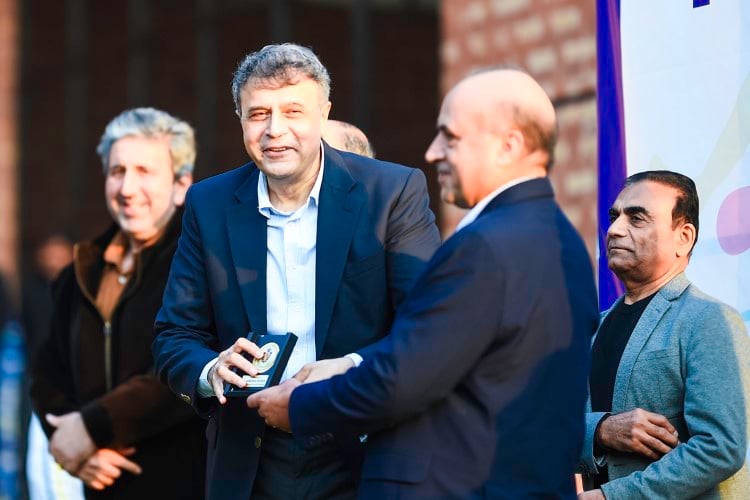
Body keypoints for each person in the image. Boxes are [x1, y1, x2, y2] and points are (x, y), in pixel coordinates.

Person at [249, 67, 600, 498]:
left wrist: (298, 406)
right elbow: (449, 355)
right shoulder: (563, 240)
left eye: (450, 137)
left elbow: (403, 381)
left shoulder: (483, 246)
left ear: (508, 145)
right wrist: (351, 364)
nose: (433, 153)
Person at [152, 43, 440, 500]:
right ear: (240, 119)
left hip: (365, 449)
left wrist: (349, 369)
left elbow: (427, 326)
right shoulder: (208, 204)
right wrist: (210, 368)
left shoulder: (391, 192)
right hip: (251, 460)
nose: (274, 129)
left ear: (323, 114)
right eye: (258, 114)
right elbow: (174, 334)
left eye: (292, 111)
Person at [29, 108, 207, 499]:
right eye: (117, 171)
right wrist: (71, 444)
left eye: (145, 172)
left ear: (181, 185)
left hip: (183, 485)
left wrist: (92, 428)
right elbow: (45, 372)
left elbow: (184, 369)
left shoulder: (203, 266)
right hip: (99, 484)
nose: (127, 188)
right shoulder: (79, 272)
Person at [578, 171, 750, 499]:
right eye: (614, 217)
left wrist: (613, 496)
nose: (614, 230)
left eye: (637, 218)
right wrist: (601, 430)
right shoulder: (592, 331)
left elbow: (720, 448)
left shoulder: (709, 319)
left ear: (683, 237)